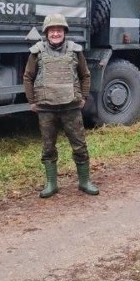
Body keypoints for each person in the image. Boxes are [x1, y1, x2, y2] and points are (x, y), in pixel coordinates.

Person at [23, 13, 98, 198]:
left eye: (59, 30)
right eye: (52, 30)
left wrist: (83, 97)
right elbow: (28, 77)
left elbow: (85, 75)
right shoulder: (37, 52)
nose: (55, 34)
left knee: (79, 146)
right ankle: (51, 184)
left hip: (71, 107)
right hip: (46, 108)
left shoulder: (75, 51)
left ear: (64, 32)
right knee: (48, 148)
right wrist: (32, 101)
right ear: (46, 33)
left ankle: (84, 182)